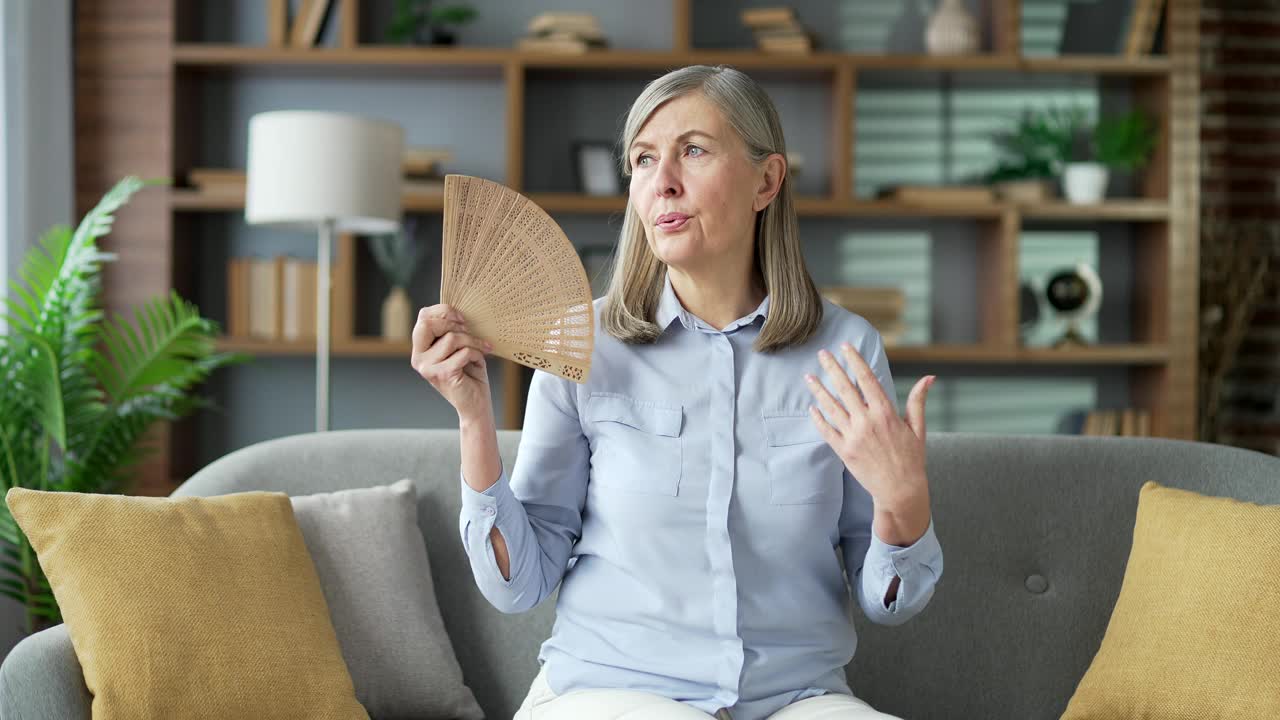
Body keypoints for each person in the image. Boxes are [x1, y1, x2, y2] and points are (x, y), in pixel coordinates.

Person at [411, 64, 943, 720]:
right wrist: (473, 419)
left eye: (692, 151)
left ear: (766, 181)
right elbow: (520, 585)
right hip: (612, 691)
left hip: (793, 699)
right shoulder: (585, 346)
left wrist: (904, 505)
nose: (661, 181)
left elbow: (889, 598)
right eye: (642, 159)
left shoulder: (846, 352)